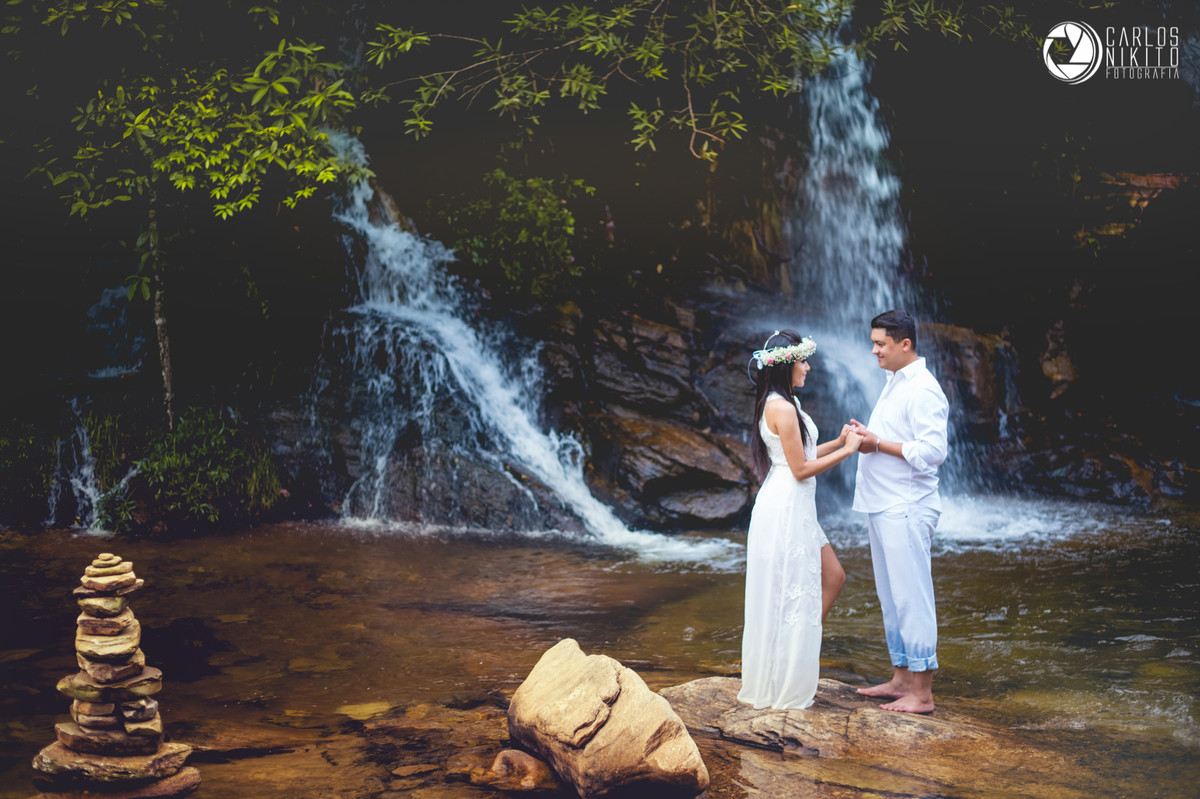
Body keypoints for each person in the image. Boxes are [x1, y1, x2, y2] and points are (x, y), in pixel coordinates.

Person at [739, 329, 863, 710]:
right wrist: (849, 453)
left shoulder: (783, 402)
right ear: (787, 366)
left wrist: (840, 442)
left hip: (795, 506)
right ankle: (785, 666)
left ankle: (795, 651)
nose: (808, 368)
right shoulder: (780, 407)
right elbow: (799, 468)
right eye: (803, 361)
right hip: (785, 507)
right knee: (791, 589)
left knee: (832, 577)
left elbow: (801, 452)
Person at [849, 309, 949, 714]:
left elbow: (933, 452)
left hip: (906, 506)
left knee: (912, 598)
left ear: (904, 344)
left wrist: (877, 444)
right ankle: (901, 679)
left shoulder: (923, 388)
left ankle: (922, 694)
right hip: (883, 503)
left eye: (880, 344)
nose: (873, 351)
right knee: (891, 598)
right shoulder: (894, 381)